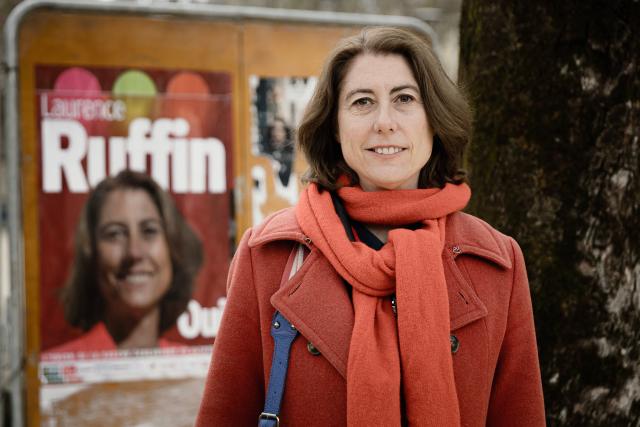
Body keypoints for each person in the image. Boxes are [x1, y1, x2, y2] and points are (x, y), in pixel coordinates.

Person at [197, 27, 545, 426]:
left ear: (434, 118)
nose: (385, 122)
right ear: (334, 126)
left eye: (405, 99)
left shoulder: (498, 262)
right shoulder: (269, 255)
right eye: (362, 102)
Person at [49, 170, 203, 353]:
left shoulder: (195, 369)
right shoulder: (57, 373)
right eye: (115, 234)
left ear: (174, 246)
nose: (134, 252)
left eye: (149, 231)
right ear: (91, 253)